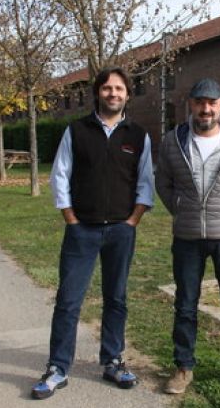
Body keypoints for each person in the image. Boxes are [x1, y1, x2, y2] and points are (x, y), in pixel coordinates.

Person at [31, 67, 154, 399]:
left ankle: (112, 360)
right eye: (107, 88)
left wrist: (133, 221)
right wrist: (70, 217)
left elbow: (145, 183)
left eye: (119, 89)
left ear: (127, 94)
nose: (113, 94)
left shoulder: (138, 135)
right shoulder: (76, 130)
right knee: (69, 301)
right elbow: (60, 175)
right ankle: (58, 367)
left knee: (116, 299)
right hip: (81, 231)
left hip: (120, 231)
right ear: (97, 93)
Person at [155, 78, 220, 395]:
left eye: (212, 102)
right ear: (191, 104)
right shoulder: (172, 141)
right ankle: (183, 368)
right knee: (185, 305)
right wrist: (180, 209)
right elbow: (163, 183)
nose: (206, 108)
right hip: (187, 237)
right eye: (200, 102)